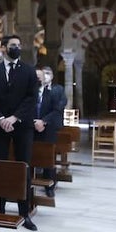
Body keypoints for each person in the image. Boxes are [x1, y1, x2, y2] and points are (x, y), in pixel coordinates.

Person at [0, 34, 39, 230]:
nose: (17, 48)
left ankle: (24, 212)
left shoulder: (29, 71)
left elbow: (31, 98)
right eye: (13, 45)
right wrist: (0, 119)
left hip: (22, 126)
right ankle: (0, 209)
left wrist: (14, 118)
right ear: (4, 47)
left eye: (18, 45)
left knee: (23, 167)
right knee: (0, 167)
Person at [32, 66, 65, 198]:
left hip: (48, 128)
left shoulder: (54, 92)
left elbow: (57, 110)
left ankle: (49, 185)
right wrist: (34, 122)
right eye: (39, 76)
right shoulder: (30, 93)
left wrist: (43, 121)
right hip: (32, 128)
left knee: (48, 158)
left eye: (45, 75)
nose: (42, 78)